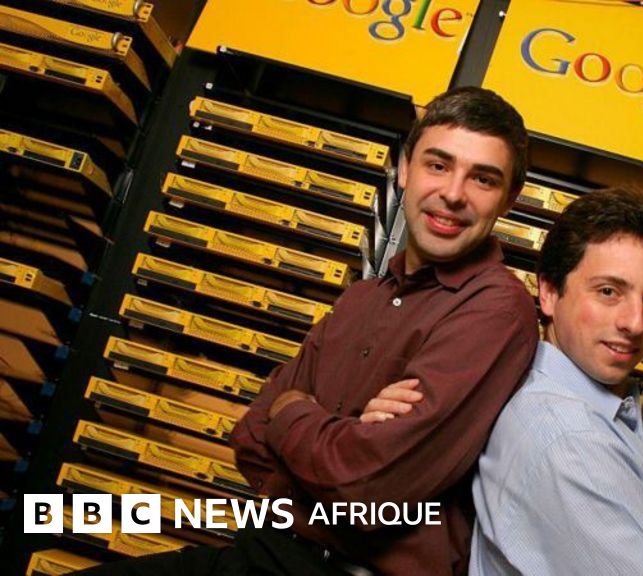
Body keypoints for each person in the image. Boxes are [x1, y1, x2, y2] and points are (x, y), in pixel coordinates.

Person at [79, 86, 538, 575]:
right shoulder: (364, 297)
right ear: (405, 169)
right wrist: (343, 439)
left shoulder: (496, 309)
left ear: (508, 201)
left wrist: (293, 409)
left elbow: (366, 489)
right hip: (265, 554)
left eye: (482, 179)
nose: (453, 193)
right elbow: (250, 436)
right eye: (438, 165)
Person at [469, 189, 643, 575]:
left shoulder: (613, 413)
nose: (635, 323)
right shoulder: (568, 437)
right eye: (609, 292)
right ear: (549, 293)